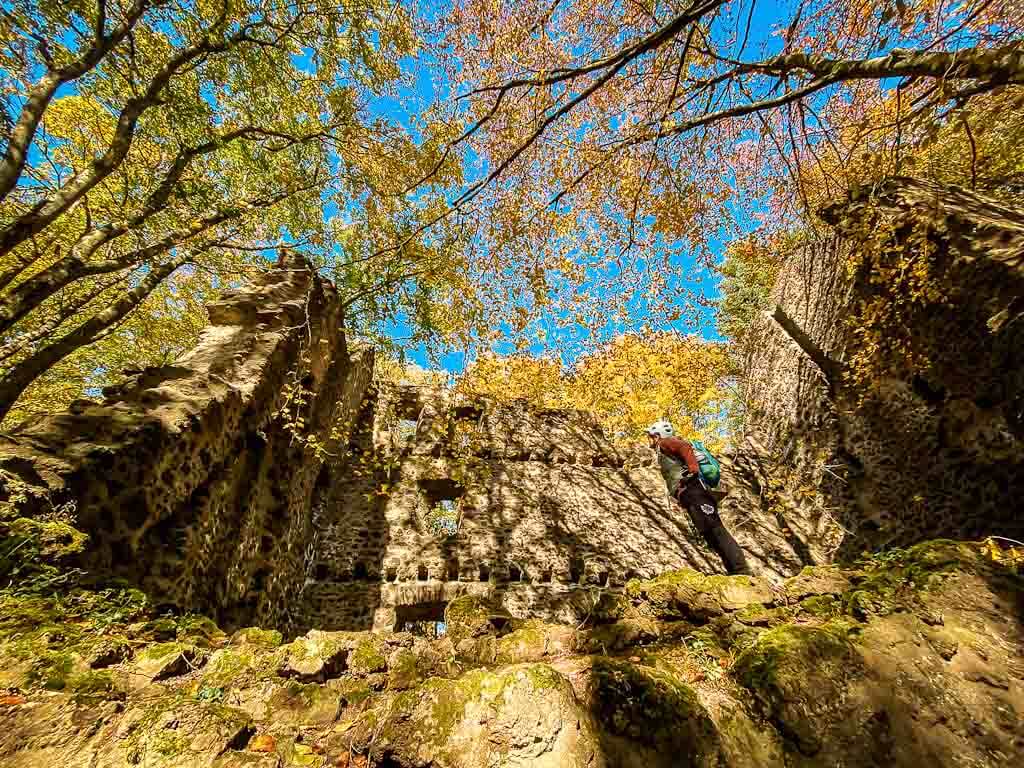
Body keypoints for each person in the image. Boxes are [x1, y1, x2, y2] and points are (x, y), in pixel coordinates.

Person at [646, 420, 748, 574]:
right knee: (709, 535)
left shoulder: (666, 442)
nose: (649, 439)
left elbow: (684, 446)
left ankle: (742, 571)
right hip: (689, 495)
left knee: (716, 529)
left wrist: (693, 470)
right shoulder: (661, 450)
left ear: (658, 435)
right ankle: (733, 572)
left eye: (651, 436)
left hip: (695, 490)